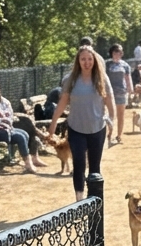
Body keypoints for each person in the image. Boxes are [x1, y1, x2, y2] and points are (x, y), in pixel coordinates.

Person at [48, 46, 116, 199]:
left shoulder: (102, 78)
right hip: (76, 129)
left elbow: (109, 100)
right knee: (78, 165)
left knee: (94, 168)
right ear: (78, 61)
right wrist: (53, 124)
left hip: (97, 129)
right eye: (83, 59)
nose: (87, 62)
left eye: (90, 59)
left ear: (94, 60)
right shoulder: (71, 80)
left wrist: (112, 120)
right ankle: (79, 199)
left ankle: (94, 199)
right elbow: (62, 103)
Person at [0, 81, 48, 167]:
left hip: (9, 123)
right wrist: (4, 118)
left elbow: (10, 113)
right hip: (0, 127)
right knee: (28, 128)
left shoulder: (3, 100)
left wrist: (6, 118)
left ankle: (35, 156)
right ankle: (37, 150)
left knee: (28, 128)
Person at [105, 44, 133, 144]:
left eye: (120, 52)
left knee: (121, 115)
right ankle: (109, 134)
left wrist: (130, 90)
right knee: (110, 115)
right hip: (109, 93)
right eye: (115, 52)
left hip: (121, 92)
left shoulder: (125, 65)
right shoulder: (107, 64)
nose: (117, 54)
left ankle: (119, 135)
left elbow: (128, 78)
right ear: (112, 53)